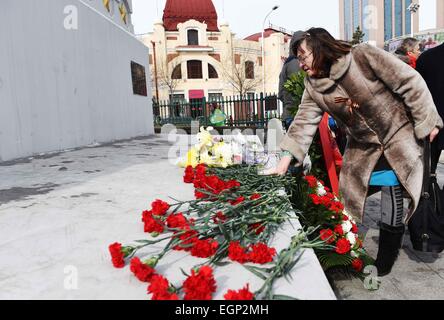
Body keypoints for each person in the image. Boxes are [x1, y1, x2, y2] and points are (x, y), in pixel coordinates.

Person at [266, 28, 443, 276]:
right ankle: (345, 250)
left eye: (304, 56)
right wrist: (284, 162)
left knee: (391, 187)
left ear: (319, 48)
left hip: (396, 133)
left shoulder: (362, 55)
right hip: (363, 144)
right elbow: (303, 122)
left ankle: (384, 260)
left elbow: (408, 80)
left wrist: (428, 120)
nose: (301, 63)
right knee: (348, 194)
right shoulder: (313, 85)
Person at [416, 43, 444, 174]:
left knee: (426, 174)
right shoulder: (426, 57)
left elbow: (416, 94)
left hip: (430, 121)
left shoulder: (426, 57)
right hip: (430, 123)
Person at [278, 31, 304, 130]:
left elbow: (280, 93)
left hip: (289, 113)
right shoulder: (298, 62)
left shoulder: (287, 63)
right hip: (300, 114)